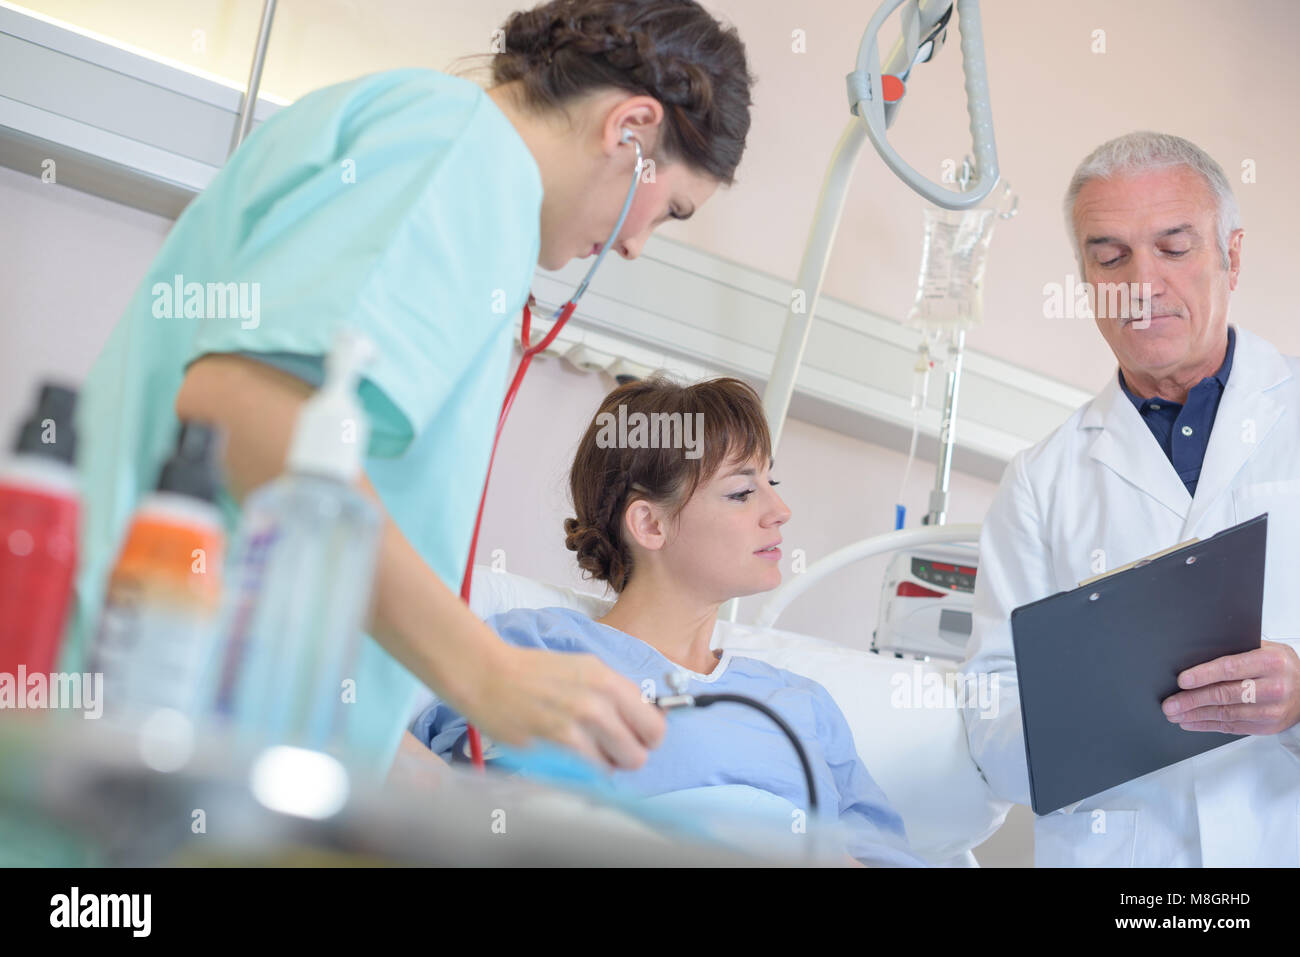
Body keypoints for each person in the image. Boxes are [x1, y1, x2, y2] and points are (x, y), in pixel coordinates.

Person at [67, 0, 755, 779]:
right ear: (629, 129)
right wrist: (485, 672)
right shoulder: (458, 155)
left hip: (183, 724)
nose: (634, 245)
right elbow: (246, 413)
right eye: (668, 210)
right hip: (137, 719)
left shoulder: (444, 157)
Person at [412, 377, 925, 866]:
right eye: (742, 492)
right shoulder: (536, 647)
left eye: (773, 483)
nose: (781, 510)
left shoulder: (803, 706)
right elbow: (473, 811)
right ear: (650, 524)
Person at [962, 131, 1300, 866]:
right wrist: (1095, 707)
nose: (1141, 283)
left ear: (1232, 255)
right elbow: (989, 717)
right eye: (1110, 256)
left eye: (1174, 248)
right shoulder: (1040, 482)